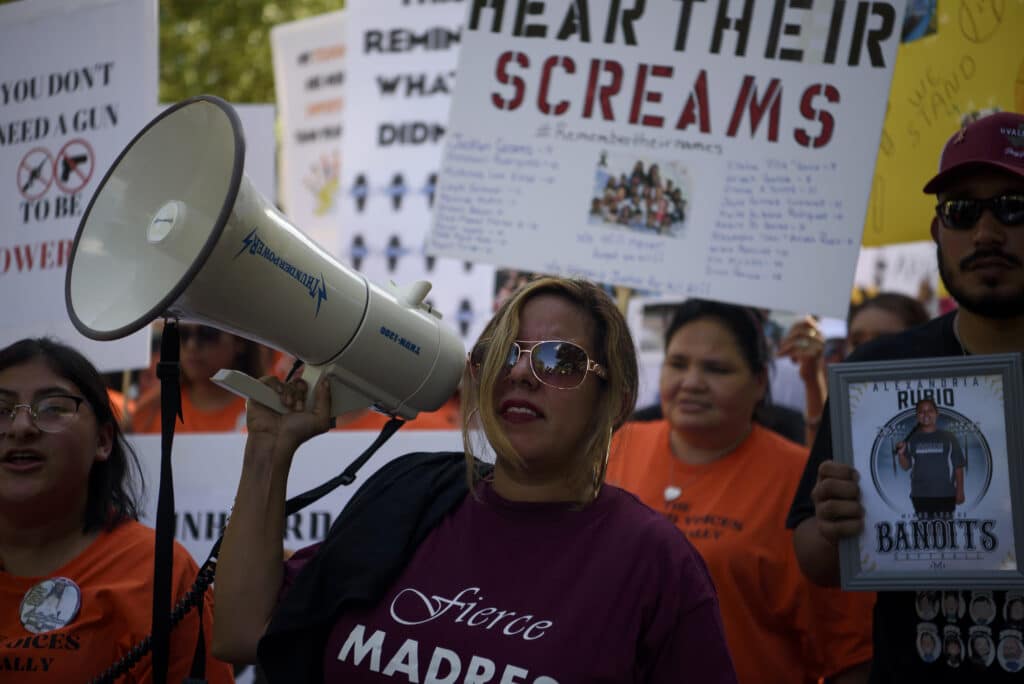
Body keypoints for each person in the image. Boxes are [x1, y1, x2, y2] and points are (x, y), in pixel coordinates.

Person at [212, 277, 738, 682]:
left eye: (559, 360)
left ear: (616, 400)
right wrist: (268, 452)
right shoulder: (410, 494)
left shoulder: (655, 564)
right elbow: (242, 631)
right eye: (503, 353)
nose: (520, 373)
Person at [788, 110, 1024, 681]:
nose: (986, 233)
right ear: (938, 232)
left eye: (1014, 206)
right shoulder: (879, 374)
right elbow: (815, 559)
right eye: (963, 212)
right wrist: (834, 519)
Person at [606, 299, 871, 684]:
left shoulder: (802, 479)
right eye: (678, 363)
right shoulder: (615, 447)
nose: (691, 382)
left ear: (760, 381)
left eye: (716, 369)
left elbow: (850, 650)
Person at [0, 337, 234, 682]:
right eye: (1, 410)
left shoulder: (160, 574)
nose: (21, 427)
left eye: (52, 407)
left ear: (103, 441)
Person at [779, 292, 929, 446]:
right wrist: (812, 381)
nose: (867, 350)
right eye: (857, 342)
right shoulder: (851, 414)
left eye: (884, 340)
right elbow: (822, 459)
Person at [128, 323, 266, 433]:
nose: (192, 345)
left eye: (208, 333)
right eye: (182, 334)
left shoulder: (264, 411)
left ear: (240, 341)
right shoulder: (151, 411)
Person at [895, 398, 965, 517]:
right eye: (921, 412)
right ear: (917, 416)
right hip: (920, 495)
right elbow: (906, 466)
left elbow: (958, 466)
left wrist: (960, 491)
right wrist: (901, 454)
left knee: (945, 532)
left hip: (946, 494)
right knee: (925, 533)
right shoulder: (912, 439)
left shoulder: (949, 437)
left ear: (936, 414)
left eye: (930, 411)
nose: (926, 414)